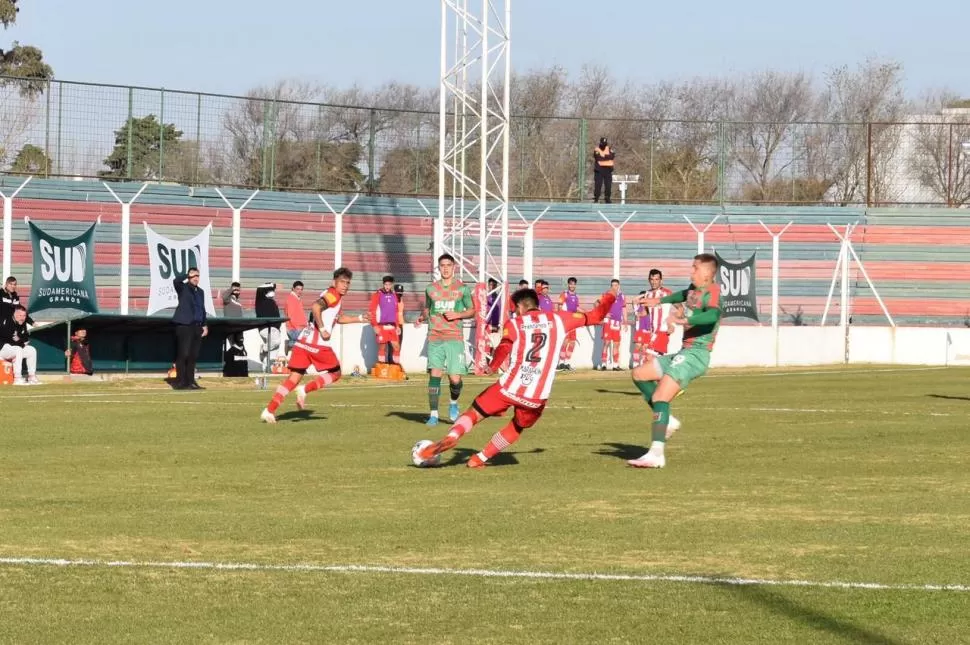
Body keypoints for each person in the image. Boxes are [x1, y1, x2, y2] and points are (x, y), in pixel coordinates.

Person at [414, 286, 617, 468]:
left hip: (509, 387)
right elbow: (597, 316)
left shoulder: (515, 323)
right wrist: (610, 296)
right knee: (517, 427)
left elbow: (503, 347)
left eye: (514, 308)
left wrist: (492, 367)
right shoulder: (560, 319)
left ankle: (453, 435)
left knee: (475, 413)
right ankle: (480, 458)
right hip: (536, 396)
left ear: (521, 307)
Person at [627, 254, 721, 469]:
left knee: (660, 395)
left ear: (707, 273)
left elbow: (712, 316)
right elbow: (683, 294)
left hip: (695, 355)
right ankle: (667, 420)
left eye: (695, 268)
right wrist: (659, 300)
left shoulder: (713, 292)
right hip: (683, 352)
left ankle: (656, 453)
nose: (691, 271)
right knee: (639, 374)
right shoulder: (693, 289)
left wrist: (683, 319)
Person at [261, 268, 369, 423]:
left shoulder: (331, 294)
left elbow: (338, 318)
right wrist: (323, 329)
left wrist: (359, 318)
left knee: (294, 377)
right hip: (318, 344)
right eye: (342, 282)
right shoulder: (333, 295)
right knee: (336, 373)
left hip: (303, 341)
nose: (345, 286)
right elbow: (316, 307)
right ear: (334, 282)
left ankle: (269, 410)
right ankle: (305, 390)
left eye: (348, 283)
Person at [415, 253, 476, 426]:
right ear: (439, 268)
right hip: (435, 336)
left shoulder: (462, 289)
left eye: (448, 265)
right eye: (442, 265)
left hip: (454, 337)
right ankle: (433, 414)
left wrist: (458, 314)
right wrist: (421, 317)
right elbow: (428, 308)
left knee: (455, 379)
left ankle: (453, 403)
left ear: (454, 267)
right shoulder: (431, 289)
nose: (446, 268)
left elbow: (472, 310)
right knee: (435, 374)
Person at [172, 267, 209, 390]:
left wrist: (204, 324)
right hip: (184, 325)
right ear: (189, 277)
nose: (196, 278)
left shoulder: (201, 292)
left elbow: (202, 309)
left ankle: (191, 381)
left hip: (197, 326)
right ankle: (181, 381)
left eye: (197, 276)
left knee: (193, 355)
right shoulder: (183, 288)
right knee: (184, 354)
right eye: (193, 276)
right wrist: (186, 274)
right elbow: (176, 281)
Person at [369, 275, 404, 366]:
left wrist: (397, 325)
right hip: (381, 326)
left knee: (396, 347)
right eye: (386, 284)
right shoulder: (377, 294)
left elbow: (395, 311)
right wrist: (374, 325)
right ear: (383, 284)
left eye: (389, 284)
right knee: (382, 347)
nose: (387, 286)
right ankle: (382, 366)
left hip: (392, 326)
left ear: (392, 285)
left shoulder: (394, 295)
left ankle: (396, 367)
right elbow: (372, 311)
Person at [0, 306, 39, 385]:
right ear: (15, 314)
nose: (22, 318)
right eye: (20, 315)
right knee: (18, 349)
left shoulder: (22, 322)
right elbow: (12, 340)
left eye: (24, 316)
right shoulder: (8, 322)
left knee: (31, 350)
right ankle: (17, 378)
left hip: (15, 348)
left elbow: (25, 338)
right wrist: (21, 342)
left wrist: (20, 341)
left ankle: (31, 376)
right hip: (2, 349)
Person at [643, 269, 673, 359]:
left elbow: (679, 308)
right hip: (652, 331)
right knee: (656, 360)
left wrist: (671, 324)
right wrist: (637, 312)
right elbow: (647, 312)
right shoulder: (647, 294)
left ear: (661, 280)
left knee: (649, 357)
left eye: (656, 279)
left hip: (662, 330)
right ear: (649, 280)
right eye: (652, 279)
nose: (654, 282)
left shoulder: (667, 293)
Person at [597, 279, 625, 371]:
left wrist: (625, 321)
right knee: (606, 343)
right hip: (608, 322)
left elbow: (624, 308)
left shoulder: (622, 296)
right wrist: (604, 314)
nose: (614, 287)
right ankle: (603, 364)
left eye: (616, 285)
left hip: (617, 323)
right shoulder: (606, 295)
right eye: (612, 285)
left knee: (617, 344)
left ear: (619, 286)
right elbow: (596, 304)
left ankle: (615, 365)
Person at [557, 277, 582, 371]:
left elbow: (577, 308)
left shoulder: (576, 296)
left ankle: (567, 362)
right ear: (568, 285)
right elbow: (559, 306)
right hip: (566, 321)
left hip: (573, 322)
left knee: (572, 342)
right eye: (570, 284)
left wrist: (586, 313)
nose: (572, 285)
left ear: (575, 285)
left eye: (574, 284)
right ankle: (560, 362)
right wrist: (561, 318)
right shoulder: (564, 294)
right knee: (565, 341)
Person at [255, 282, 282, 363]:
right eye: (270, 290)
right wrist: (270, 285)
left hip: (275, 328)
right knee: (276, 342)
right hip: (267, 327)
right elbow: (260, 289)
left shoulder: (272, 301)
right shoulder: (261, 301)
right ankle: (264, 348)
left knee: (274, 351)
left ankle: (267, 368)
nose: (273, 292)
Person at [592, 137, 615, 204]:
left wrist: (603, 156)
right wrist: (607, 157)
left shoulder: (609, 149)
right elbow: (598, 158)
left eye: (605, 144)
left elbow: (612, 156)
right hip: (599, 170)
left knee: (608, 185)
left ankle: (607, 198)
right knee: (598, 185)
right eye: (603, 143)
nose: (604, 145)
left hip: (608, 170)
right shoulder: (596, 149)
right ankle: (596, 198)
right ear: (600, 143)